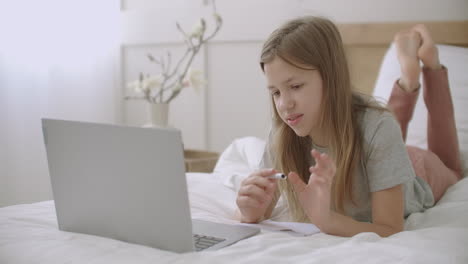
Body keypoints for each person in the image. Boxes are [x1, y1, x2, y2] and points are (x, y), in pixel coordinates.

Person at [235, 16, 463, 237]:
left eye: (295, 86)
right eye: (275, 92)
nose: (285, 105)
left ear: (331, 77)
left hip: (418, 167)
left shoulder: (378, 128)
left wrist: (327, 221)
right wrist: (250, 211)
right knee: (377, 125)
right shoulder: (282, 132)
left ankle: (430, 68)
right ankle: (408, 82)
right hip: (377, 148)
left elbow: (390, 229)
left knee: (452, 168)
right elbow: (258, 209)